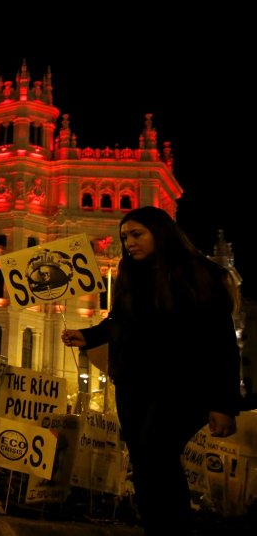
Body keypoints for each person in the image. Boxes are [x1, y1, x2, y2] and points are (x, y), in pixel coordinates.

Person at [60, 206, 241, 536]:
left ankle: (173, 528)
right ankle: (158, 527)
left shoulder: (199, 274)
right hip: (135, 384)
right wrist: (87, 335)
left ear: (161, 233)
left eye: (136, 234)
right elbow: (118, 320)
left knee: (157, 454)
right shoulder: (132, 276)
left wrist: (224, 403)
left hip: (183, 387)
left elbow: (221, 342)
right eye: (124, 236)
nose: (128, 242)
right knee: (145, 462)